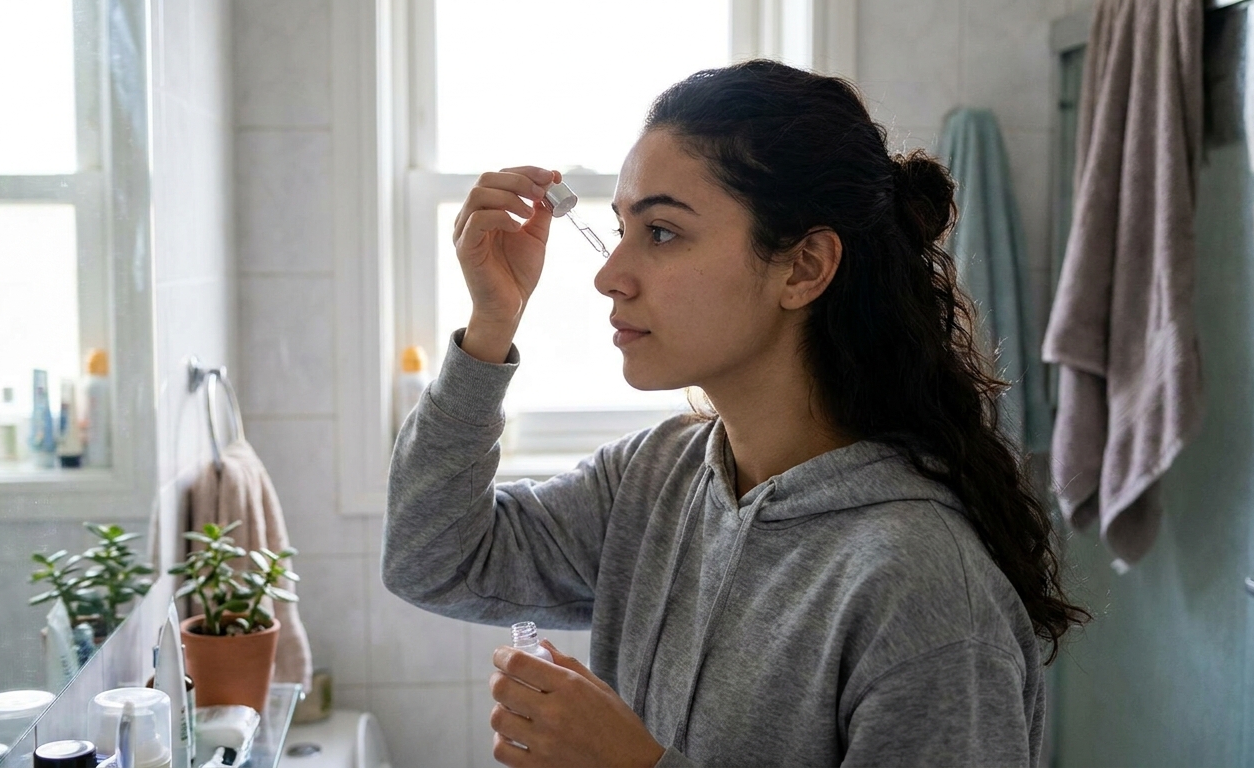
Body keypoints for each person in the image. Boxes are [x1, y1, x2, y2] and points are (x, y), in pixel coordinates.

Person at [382, 59, 1089, 768]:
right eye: (622, 228)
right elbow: (435, 559)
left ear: (805, 267)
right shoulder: (656, 477)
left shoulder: (923, 588)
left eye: (661, 232)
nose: (609, 275)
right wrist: (489, 326)